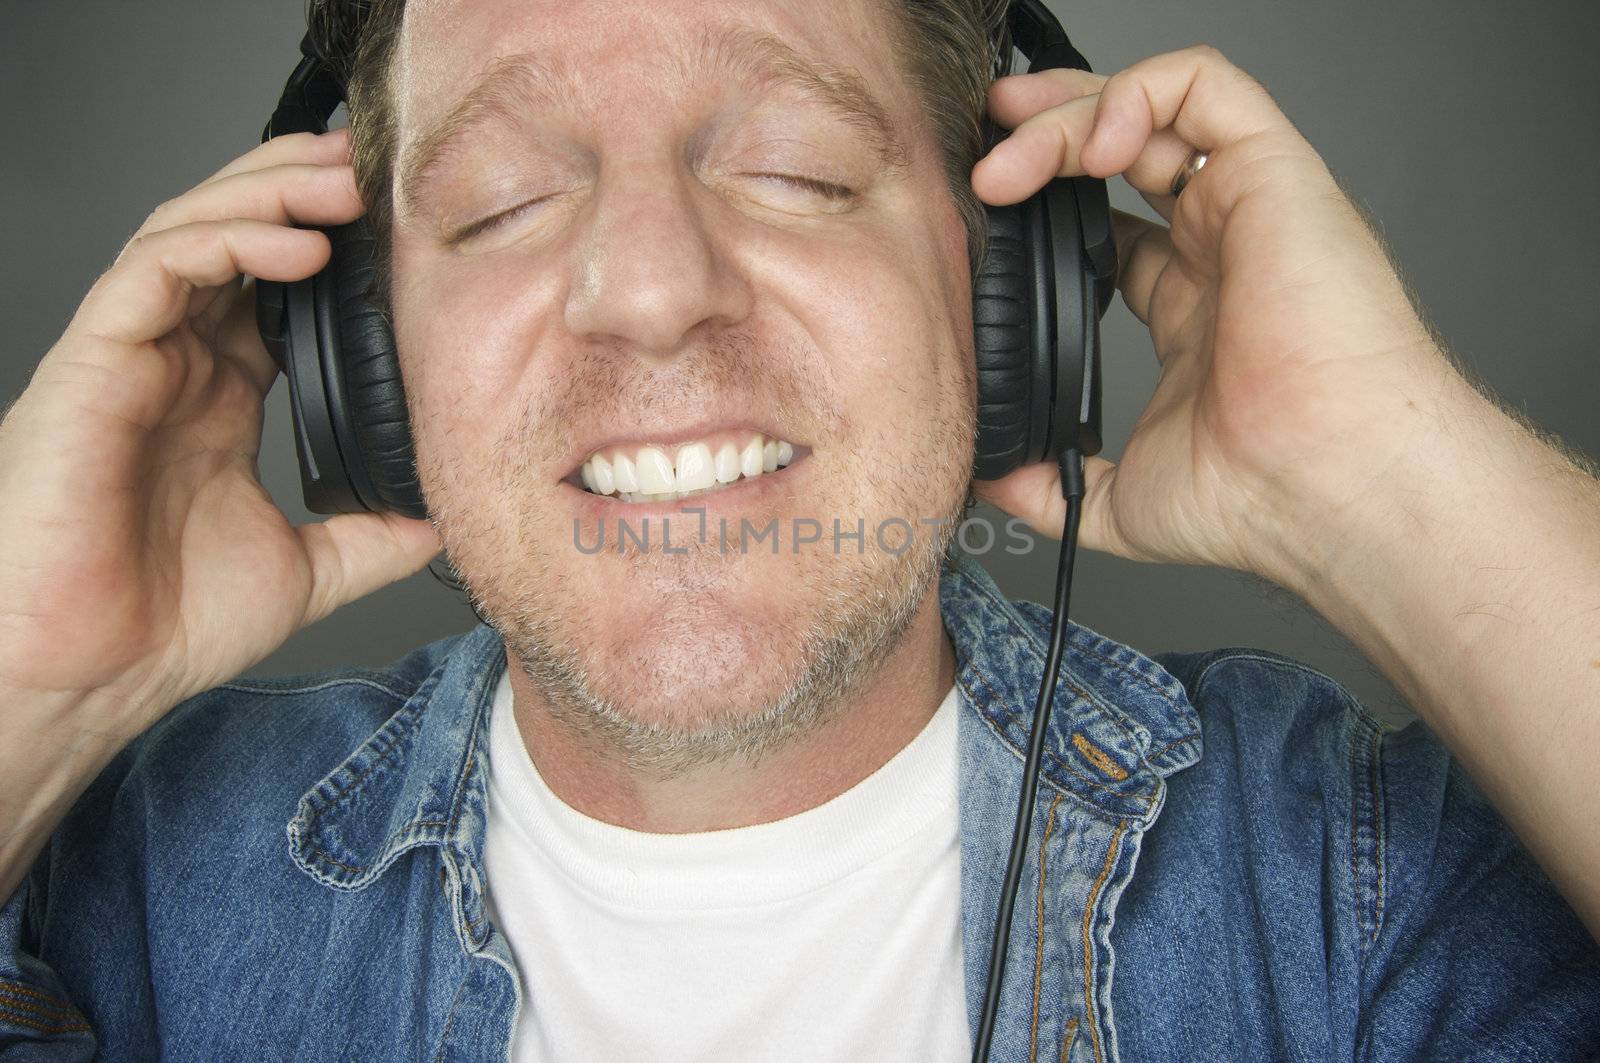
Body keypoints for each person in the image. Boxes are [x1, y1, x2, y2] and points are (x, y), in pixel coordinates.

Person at [1, 0, 1596, 1058]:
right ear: (362, 359)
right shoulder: (131, 887)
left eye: (796, 171)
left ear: (1009, 294)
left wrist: (1377, 473)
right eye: (494, 206)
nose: (648, 291)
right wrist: (26, 676)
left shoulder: (1349, 884)